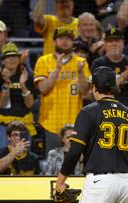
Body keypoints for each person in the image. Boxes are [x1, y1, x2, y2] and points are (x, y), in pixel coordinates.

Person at [54, 66, 128, 203]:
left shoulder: (88, 112)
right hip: (126, 183)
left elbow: (75, 151)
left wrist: (60, 181)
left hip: (100, 183)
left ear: (94, 86)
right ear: (114, 87)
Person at [34, 27, 90, 157]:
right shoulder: (43, 61)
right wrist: (58, 68)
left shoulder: (81, 63)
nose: (65, 42)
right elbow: (43, 89)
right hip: (50, 123)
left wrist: (80, 72)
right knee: (52, 163)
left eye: (68, 39)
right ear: (54, 41)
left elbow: (84, 91)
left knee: (76, 163)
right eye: (61, 38)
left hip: (75, 123)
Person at [0, 42, 37, 152]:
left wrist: (23, 85)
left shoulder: (28, 77)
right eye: (8, 57)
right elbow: (1, 104)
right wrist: (6, 84)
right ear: (2, 60)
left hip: (23, 125)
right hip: (1, 126)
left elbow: (29, 104)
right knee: (2, 156)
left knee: (24, 157)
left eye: (14, 56)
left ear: (19, 58)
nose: (11, 59)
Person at [91, 27, 128, 107]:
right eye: (110, 41)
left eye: (117, 41)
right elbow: (94, 88)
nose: (114, 44)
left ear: (123, 43)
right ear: (105, 44)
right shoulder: (98, 63)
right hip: (105, 108)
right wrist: (119, 80)